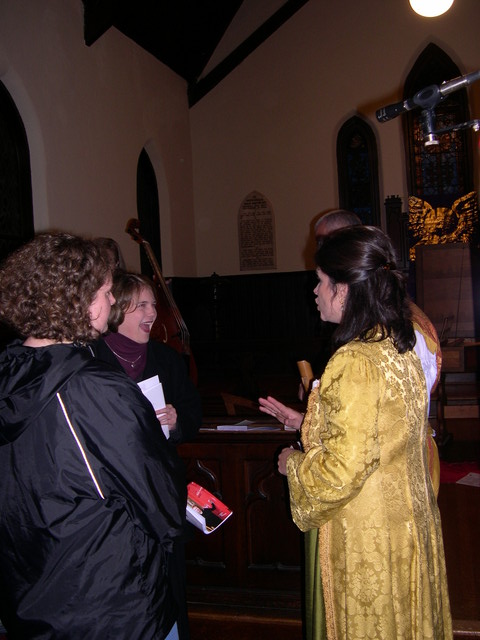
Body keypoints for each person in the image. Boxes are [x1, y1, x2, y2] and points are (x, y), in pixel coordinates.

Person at [0, 233, 184, 640]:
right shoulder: (98, 388)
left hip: (29, 599)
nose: (113, 301)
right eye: (105, 291)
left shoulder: (7, 378)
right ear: (76, 300)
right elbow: (161, 502)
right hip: (111, 604)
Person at [275, 226, 453, 639]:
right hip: (409, 521)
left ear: (346, 289)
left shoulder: (354, 360)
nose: (314, 292)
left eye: (321, 282)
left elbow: (341, 471)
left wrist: (294, 466)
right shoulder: (398, 345)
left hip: (367, 532)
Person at [93, 271, 202, 640]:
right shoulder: (91, 359)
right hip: (113, 499)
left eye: (153, 304)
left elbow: (193, 411)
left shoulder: (167, 359)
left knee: (168, 586)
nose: (152, 312)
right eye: (141, 305)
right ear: (116, 308)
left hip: (160, 493)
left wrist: (176, 421)